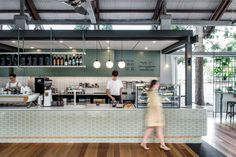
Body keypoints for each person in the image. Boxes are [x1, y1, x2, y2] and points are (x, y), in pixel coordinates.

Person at [140, 80, 170, 151]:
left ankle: (144, 142)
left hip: (153, 114)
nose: (158, 85)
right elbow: (155, 104)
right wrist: (159, 115)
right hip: (155, 115)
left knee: (150, 129)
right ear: (154, 85)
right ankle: (162, 145)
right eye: (157, 84)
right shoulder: (153, 93)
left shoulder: (151, 92)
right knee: (158, 130)